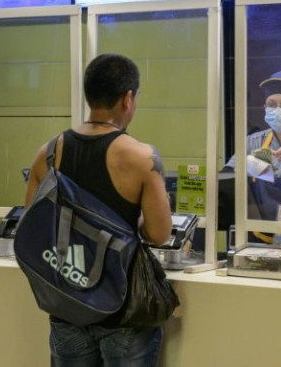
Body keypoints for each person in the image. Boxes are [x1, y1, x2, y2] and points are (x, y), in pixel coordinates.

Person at [24, 53, 172, 367]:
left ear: (88, 95)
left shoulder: (48, 153)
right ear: (128, 98)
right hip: (122, 312)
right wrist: (128, 226)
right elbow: (159, 234)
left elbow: (33, 222)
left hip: (66, 306)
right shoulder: (142, 158)